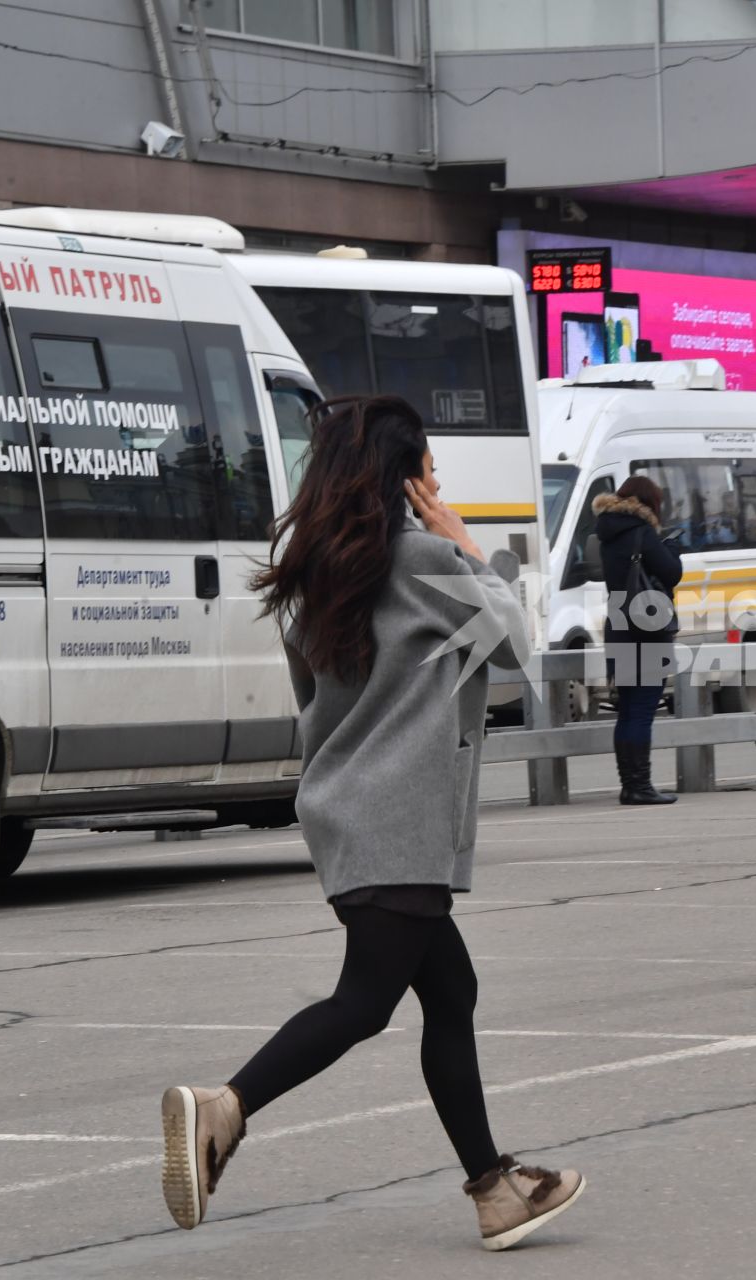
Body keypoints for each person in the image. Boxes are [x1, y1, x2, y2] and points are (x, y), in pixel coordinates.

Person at [159, 396, 581, 1251]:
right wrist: (465, 542)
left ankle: (495, 1188)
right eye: (429, 468)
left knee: (450, 992)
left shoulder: (310, 578)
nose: (438, 481)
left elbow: (313, 704)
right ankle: (224, 1108)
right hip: (404, 821)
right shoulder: (428, 562)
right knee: (363, 1003)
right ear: (404, 479)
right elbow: (513, 647)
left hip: (345, 811)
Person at [599, 475, 686, 804]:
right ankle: (639, 786)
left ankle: (630, 784)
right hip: (647, 629)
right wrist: (672, 549)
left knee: (627, 709)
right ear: (650, 503)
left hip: (619, 624)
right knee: (642, 709)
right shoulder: (643, 532)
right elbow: (671, 573)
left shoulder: (607, 532)